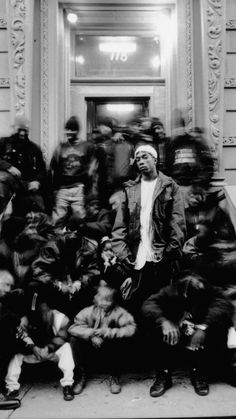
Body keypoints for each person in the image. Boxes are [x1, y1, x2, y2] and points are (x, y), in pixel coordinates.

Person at [111, 143, 186, 315]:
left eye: (145, 157)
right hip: (137, 258)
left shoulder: (170, 186)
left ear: (155, 159)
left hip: (162, 257)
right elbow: (119, 227)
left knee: (163, 307)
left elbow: (178, 224)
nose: (141, 161)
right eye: (137, 159)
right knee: (137, 307)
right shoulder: (130, 189)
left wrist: (170, 253)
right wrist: (124, 256)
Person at [141, 271, 236, 397]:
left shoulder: (209, 290)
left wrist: (203, 327)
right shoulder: (171, 291)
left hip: (200, 330)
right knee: (155, 327)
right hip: (178, 329)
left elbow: (223, 305)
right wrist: (164, 321)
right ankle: (163, 375)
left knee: (220, 324)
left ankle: (198, 373)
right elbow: (149, 304)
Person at [5, 293, 75, 401]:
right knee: (16, 353)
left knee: (66, 347)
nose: (42, 315)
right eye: (39, 312)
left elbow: (63, 336)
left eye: (44, 311)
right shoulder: (24, 320)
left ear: (49, 308)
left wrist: (49, 348)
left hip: (51, 352)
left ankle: (67, 385)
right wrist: (33, 347)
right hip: (33, 354)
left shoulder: (61, 318)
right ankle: (11, 388)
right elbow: (21, 337)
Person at [69, 284, 136, 395]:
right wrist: (91, 335)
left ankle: (114, 375)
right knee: (74, 340)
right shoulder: (87, 312)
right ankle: (81, 376)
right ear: (95, 300)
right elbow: (73, 328)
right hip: (90, 348)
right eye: (102, 299)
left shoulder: (119, 312)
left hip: (109, 349)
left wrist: (109, 332)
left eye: (109, 300)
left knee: (120, 338)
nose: (105, 303)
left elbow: (131, 328)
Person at [50, 116, 96, 225]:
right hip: (63, 188)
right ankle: (56, 239)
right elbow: (54, 167)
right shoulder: (61, 147)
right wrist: (54, 188)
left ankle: (78, 239)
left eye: (72, 129)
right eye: (67, 129)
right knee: (57, 218)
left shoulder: (87, 146)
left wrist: (90, 188)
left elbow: (93, 168)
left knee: (80, 217)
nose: (69, 132)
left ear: (77, 131)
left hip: (79, 187)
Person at [0, 116, 48, 216]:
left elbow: (42, 170)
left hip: (26, 187)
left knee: (40, 212)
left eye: (25, 130)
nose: (22, 133)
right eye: (20, 130)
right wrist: (8, 167)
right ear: (14, 128)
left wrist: (37, 181)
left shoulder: (34, 149)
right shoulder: (3, 143)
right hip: (6, 185)